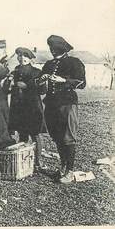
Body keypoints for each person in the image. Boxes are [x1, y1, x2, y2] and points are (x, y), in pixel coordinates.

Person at [37, 35, 86, 183]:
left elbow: (82, 83)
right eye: (51, 48)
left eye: (55, 48)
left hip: (67, 104)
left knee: (67, 138)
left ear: (63, 49)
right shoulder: (48, 64)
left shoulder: (74, 62)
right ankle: (63, 167)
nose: (52, 51)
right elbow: (39, 88)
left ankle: (69, 172)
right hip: (51, 105)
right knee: (57, 137)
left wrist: (63, 80)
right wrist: (42, 80)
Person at [8, 47, 47, 170]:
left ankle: (38, 161)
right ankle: (24, 161)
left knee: (36, 134)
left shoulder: (37, 72)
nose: (22, 59)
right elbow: (9, 90)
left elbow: (43, 91)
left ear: (30, 59)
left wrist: (27, 86)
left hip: (32, 107)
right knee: (22, 134)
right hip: (18, 108)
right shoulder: (14, 72)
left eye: (25, 57)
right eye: (19, 56)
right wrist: (9, 83)